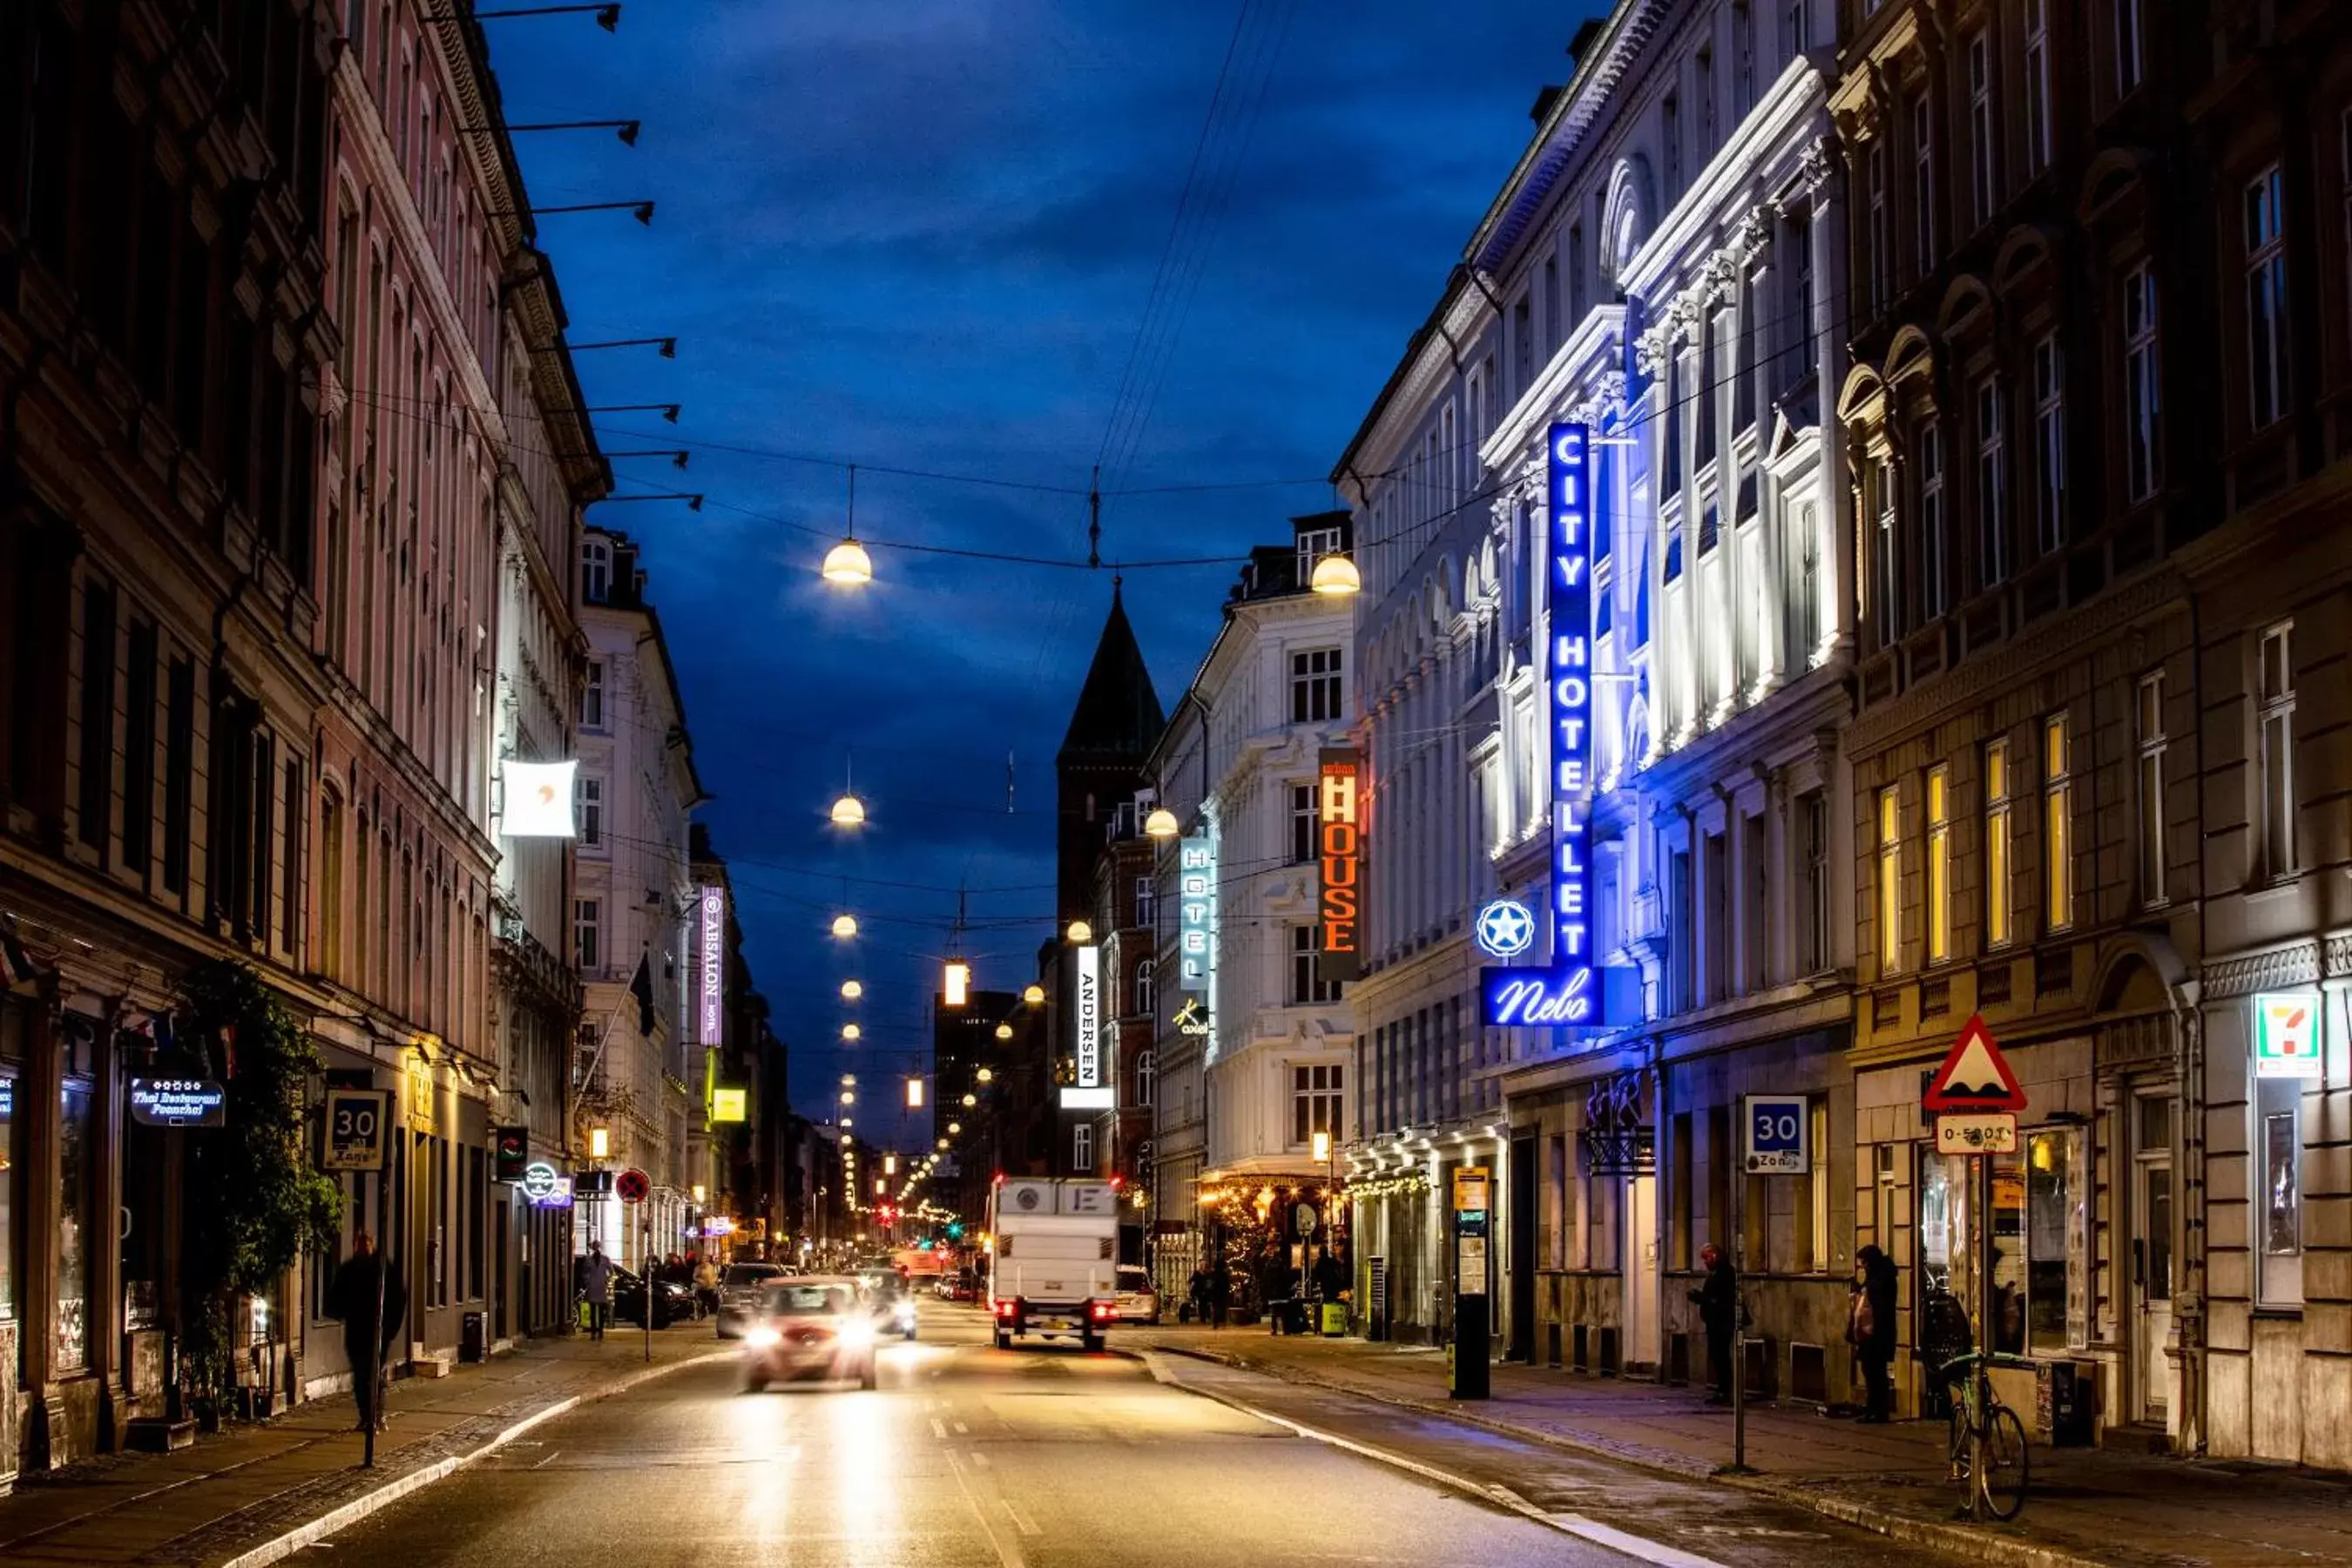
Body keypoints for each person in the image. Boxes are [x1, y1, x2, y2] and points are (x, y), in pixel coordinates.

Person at [326, 1231, 408, 1433]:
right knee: (361, 1377)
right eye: (359, 1246)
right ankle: (366, 1416)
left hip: (378, 1332)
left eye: (365, 1245)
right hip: (356, 1332)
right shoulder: (350, 1270)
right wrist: (337, 1311)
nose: (362, 1249)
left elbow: (398, 1299)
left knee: (375, 1374)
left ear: (371, 1246)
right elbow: (336, 1296)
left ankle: (376, 1416)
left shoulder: (383, 1269)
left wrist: (390, 1329)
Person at [1852, 1244, 1899, 1422]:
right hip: (1874, 1331)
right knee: (1871, 1370)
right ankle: (1874, 1409)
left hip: (1877, 1331)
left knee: (1875, 1372)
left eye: (1864, 1262)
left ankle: (1878, 1410)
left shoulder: (1882, 1278)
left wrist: (1865, 1291)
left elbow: (1879, 1302)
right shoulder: (1878, 1275)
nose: (1862, 1266)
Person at [1689, 1242, 1740, 1405]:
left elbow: (1720, 1299)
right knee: (1718, 1356)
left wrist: (1701, 1298)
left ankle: (1726, 1391)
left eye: (1706, 1259)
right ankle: (1722, 1390)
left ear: (1714, 1256)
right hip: (1715, 1321)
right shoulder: (1717, 1272)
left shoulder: (1725, 1272)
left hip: (1722, 1321)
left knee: (1721, 1356)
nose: (1705, 1263)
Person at [579, 1240, 616, 1342]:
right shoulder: (589, 1260)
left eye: (597, 1246)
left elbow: (612, 1272)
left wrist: (606, 1280)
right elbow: (584, 1273)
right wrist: (587, 1282)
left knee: (601, 1312)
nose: (596, 1248)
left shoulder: (605, 1259)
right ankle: (594, 1332)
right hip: (592, 1287)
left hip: (601, 1287)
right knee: (593, 1312)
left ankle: (600, 1331)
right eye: (595, 1246)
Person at [693, 1254, 721, 1318]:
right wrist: (701, 1281)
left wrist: (714, 1281)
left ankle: (711, 1313)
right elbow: (695, 1277)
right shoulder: (698, 1267)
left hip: (710, 1287)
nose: (705, 1260)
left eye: (706, 1258)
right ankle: (702, 1313)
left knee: (711, 1301)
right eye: (703, 1258)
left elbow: (715, 1276)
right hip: (701, 1288)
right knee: (702, 1302)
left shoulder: (711, 1267)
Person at [1208, 1259, 1232, 1329]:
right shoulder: (1224, 1275)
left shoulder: (1213, 1274)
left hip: (1215, 1294)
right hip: (1222, 1294)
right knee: (1222, 1308)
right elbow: (1227, 1285)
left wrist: (1209, 1292)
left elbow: (1210, 1284)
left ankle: (1215, 1323)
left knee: (1215, 1309)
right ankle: (1222, 1322)